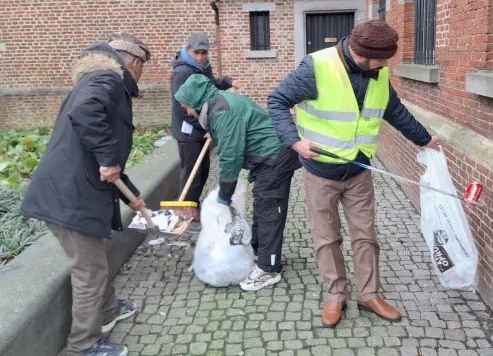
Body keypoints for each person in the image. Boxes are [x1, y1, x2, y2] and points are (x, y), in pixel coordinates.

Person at [267, 20, 441, 328]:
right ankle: (336, 295)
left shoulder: (379, 71)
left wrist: (424, 138)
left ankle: (369, 295)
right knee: (326, 238)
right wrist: (295, 141)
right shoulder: (316, 67)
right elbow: (277, 101)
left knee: (366, 236)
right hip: (321, 172)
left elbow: (393, 109)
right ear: (361, 55)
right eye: (382, 60)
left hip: (359, 171)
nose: (386, 65)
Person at [20, 32, 151, 356]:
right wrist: (109, 158)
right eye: (143, 67)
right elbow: (85, 111)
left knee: (94, 262)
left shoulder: (100, 78)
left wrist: (132, 195)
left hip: (73, 192)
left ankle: (108, 311)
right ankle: (81, 346)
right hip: (70, 199)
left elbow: (104, 160)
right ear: (133, 64)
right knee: (89, 272)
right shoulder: (107, 79)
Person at [174, 74, 301, 291]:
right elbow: (232, 131)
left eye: (187, 106)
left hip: (273, 158)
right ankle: (259, 253)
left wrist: (225, 194)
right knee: (262, 205)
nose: (187, 112)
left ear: (196, 101)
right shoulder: (218, 104)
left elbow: (230, 157)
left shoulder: (221, 111)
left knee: (269, 210)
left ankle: (268, 268)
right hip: (267, 158)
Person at [170, 32, 239, 233]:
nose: (201, 57)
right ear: (188, 50)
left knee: (202, 171)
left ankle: (193, 207)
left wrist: (226, 81)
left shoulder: (202, 67)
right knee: (192, 173)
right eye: (197, 53)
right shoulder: (182, 72)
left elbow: (209, 88)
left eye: (204, 53)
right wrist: (207, 126)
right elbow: (180, 108)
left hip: (199, 129)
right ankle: (186, 212)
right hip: (188, 131)